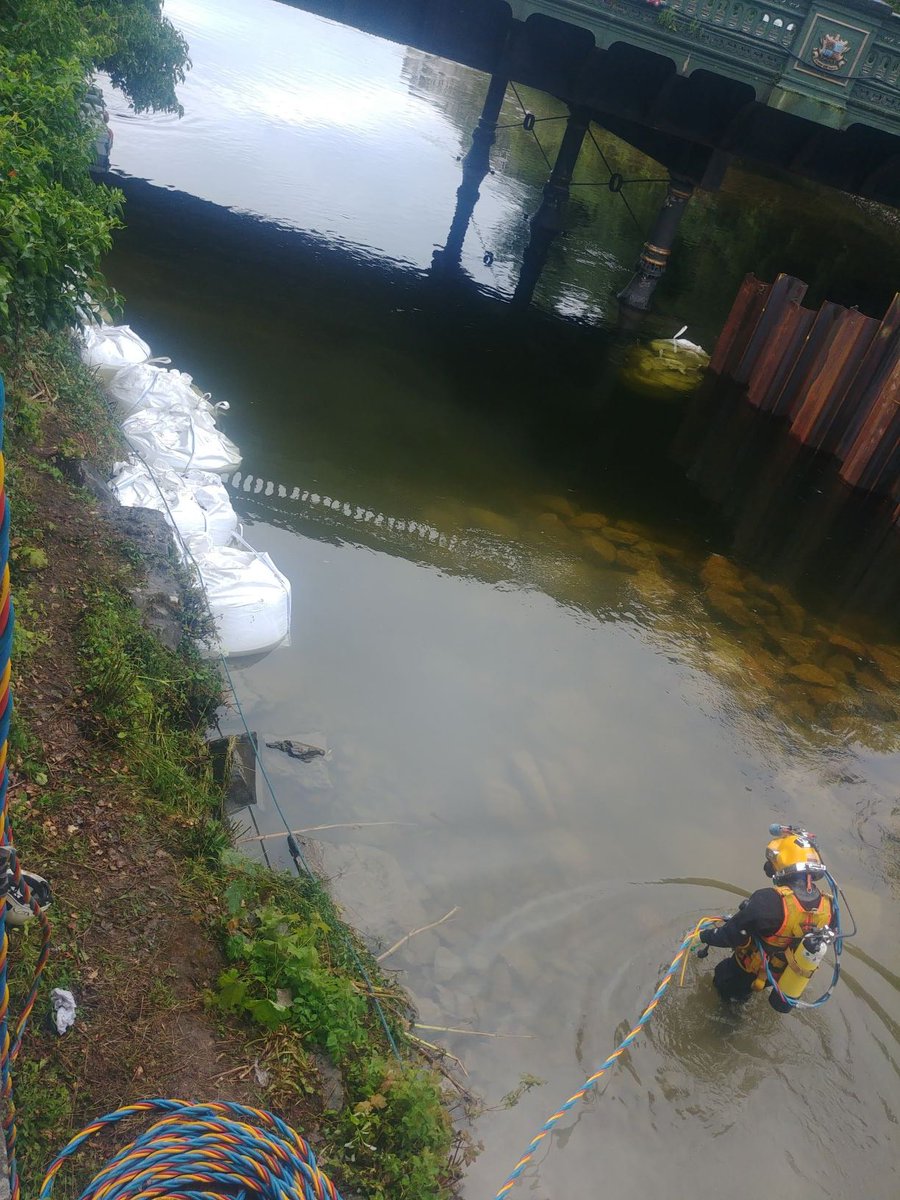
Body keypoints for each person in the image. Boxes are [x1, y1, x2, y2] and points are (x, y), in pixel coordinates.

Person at [697, 826, 836, 1012]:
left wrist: (703, 936)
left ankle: (722, 1026)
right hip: (781, 974)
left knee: (724, 984)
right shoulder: (828, 907)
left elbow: (730, 936)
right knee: (745, 991)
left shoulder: (768, 901)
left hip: (745, 971)